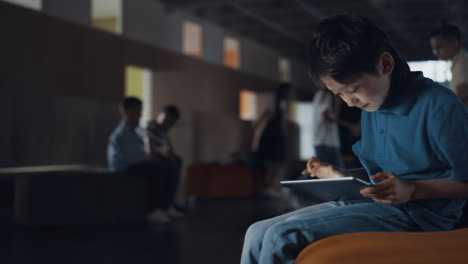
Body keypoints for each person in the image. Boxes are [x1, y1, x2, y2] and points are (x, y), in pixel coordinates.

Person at [241, 14, 468, 264]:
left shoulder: (439, 106)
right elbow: (384, 175)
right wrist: (338, 176)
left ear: (385, 64)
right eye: (339, 94)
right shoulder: (373, 106)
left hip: (422, 215)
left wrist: (413, 189)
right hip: (379, 204)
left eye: (353, 89)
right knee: (256, 232)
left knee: (281, 236)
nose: (349, 102)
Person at [107, 97, 182, 224]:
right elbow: (134, 158)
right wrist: (156, 158)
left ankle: (166, 206)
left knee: (168, 163)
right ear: (129, 111)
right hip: (123, 168)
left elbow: (143, 153)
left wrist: (159, 157)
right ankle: (153, 210)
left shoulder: (135, 131)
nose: (141, 114)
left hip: (133, 164)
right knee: (157, 167)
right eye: (138, 110)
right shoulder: (122, 134)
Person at [251, 83, 291, 197]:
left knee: (279, 162)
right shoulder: (274, 102)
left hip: (278, 135)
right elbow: (265, 114)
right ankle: (268, 187)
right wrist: (255, 127)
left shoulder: (283, 104)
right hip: (272, 135)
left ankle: (271, 187)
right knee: (273, 162)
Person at [145, 105, 186, 212]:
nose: (167, 125)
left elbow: (170, 148)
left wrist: (171, 155)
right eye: (166, 121)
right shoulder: (149, 127)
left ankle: (169, 204)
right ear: (161, 115)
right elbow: (149, 151)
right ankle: (160, 206)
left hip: (162, 158)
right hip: (151, 159)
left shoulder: (166, 131)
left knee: (177, 161)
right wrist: (165, 154)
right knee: (165, 164)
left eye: (171, 123)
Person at [430, 24, 468, 98]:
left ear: (454, 43)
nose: (436, 53)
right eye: (434, 49)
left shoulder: (463, 65)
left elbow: (462, 98)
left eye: (439, 47)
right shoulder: (458, 63)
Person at [310, 89, 344, 168]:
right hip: (326, 140)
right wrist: (348, 125)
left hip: (324, 140)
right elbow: (325, 116)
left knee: (322, 169)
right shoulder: (326, 95)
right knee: (335, 169)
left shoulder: (319, 94)